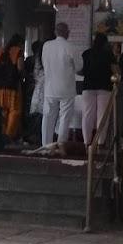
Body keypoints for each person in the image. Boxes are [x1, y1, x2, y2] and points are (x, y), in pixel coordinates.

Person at [39, 22, 79, 151]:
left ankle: (45, 146)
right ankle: (60, 146)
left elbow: (43, 63)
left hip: (50, 87)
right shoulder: (70, 47)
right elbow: (79, 67)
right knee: (64, 117)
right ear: (67, 33)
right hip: (66, 88)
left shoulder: (46, 46)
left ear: (55, 32)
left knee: (48, 117)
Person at [80, 30, 117, 156]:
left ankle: (86, 144)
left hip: (88, 87)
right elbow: (116, 71)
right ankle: (100, 144)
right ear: (105, 43)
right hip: (104, 88)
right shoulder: (108, 54)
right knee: (102, 116)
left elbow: (82, 70)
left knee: (87, 115)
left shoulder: (86, 53)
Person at [0, 36, 25, 140]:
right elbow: (20, 68)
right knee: (14, 112)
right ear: (19, 43)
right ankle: (8, 136)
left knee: (1, 112)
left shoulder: (0, 51)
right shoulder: (18, 51)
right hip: (11, 87)